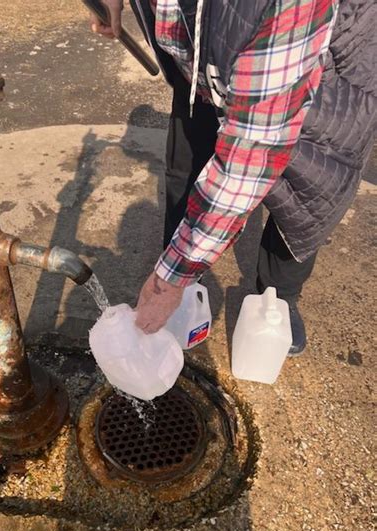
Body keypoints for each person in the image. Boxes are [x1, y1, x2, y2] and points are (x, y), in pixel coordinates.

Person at [89, 0, 376, 355]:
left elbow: (253, 153)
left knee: (306, 193)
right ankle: (185, 280)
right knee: (187, 162)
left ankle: (278, 295)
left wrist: (168, 281)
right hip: (203, 59)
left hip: (323, 71)